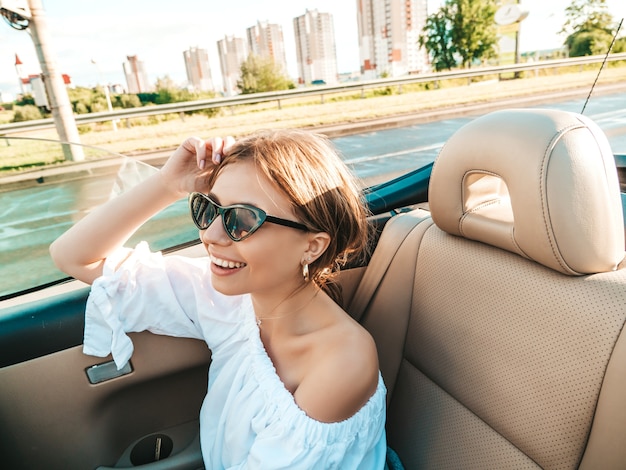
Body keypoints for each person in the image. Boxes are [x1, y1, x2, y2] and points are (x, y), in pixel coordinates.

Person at [50, 129, 387, 469]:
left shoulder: (341, 364)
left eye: (241, 220)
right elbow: (74, 256)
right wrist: (169, 184)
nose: (210, 236)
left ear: (312, 246)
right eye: (208, 208)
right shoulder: (229, 300)